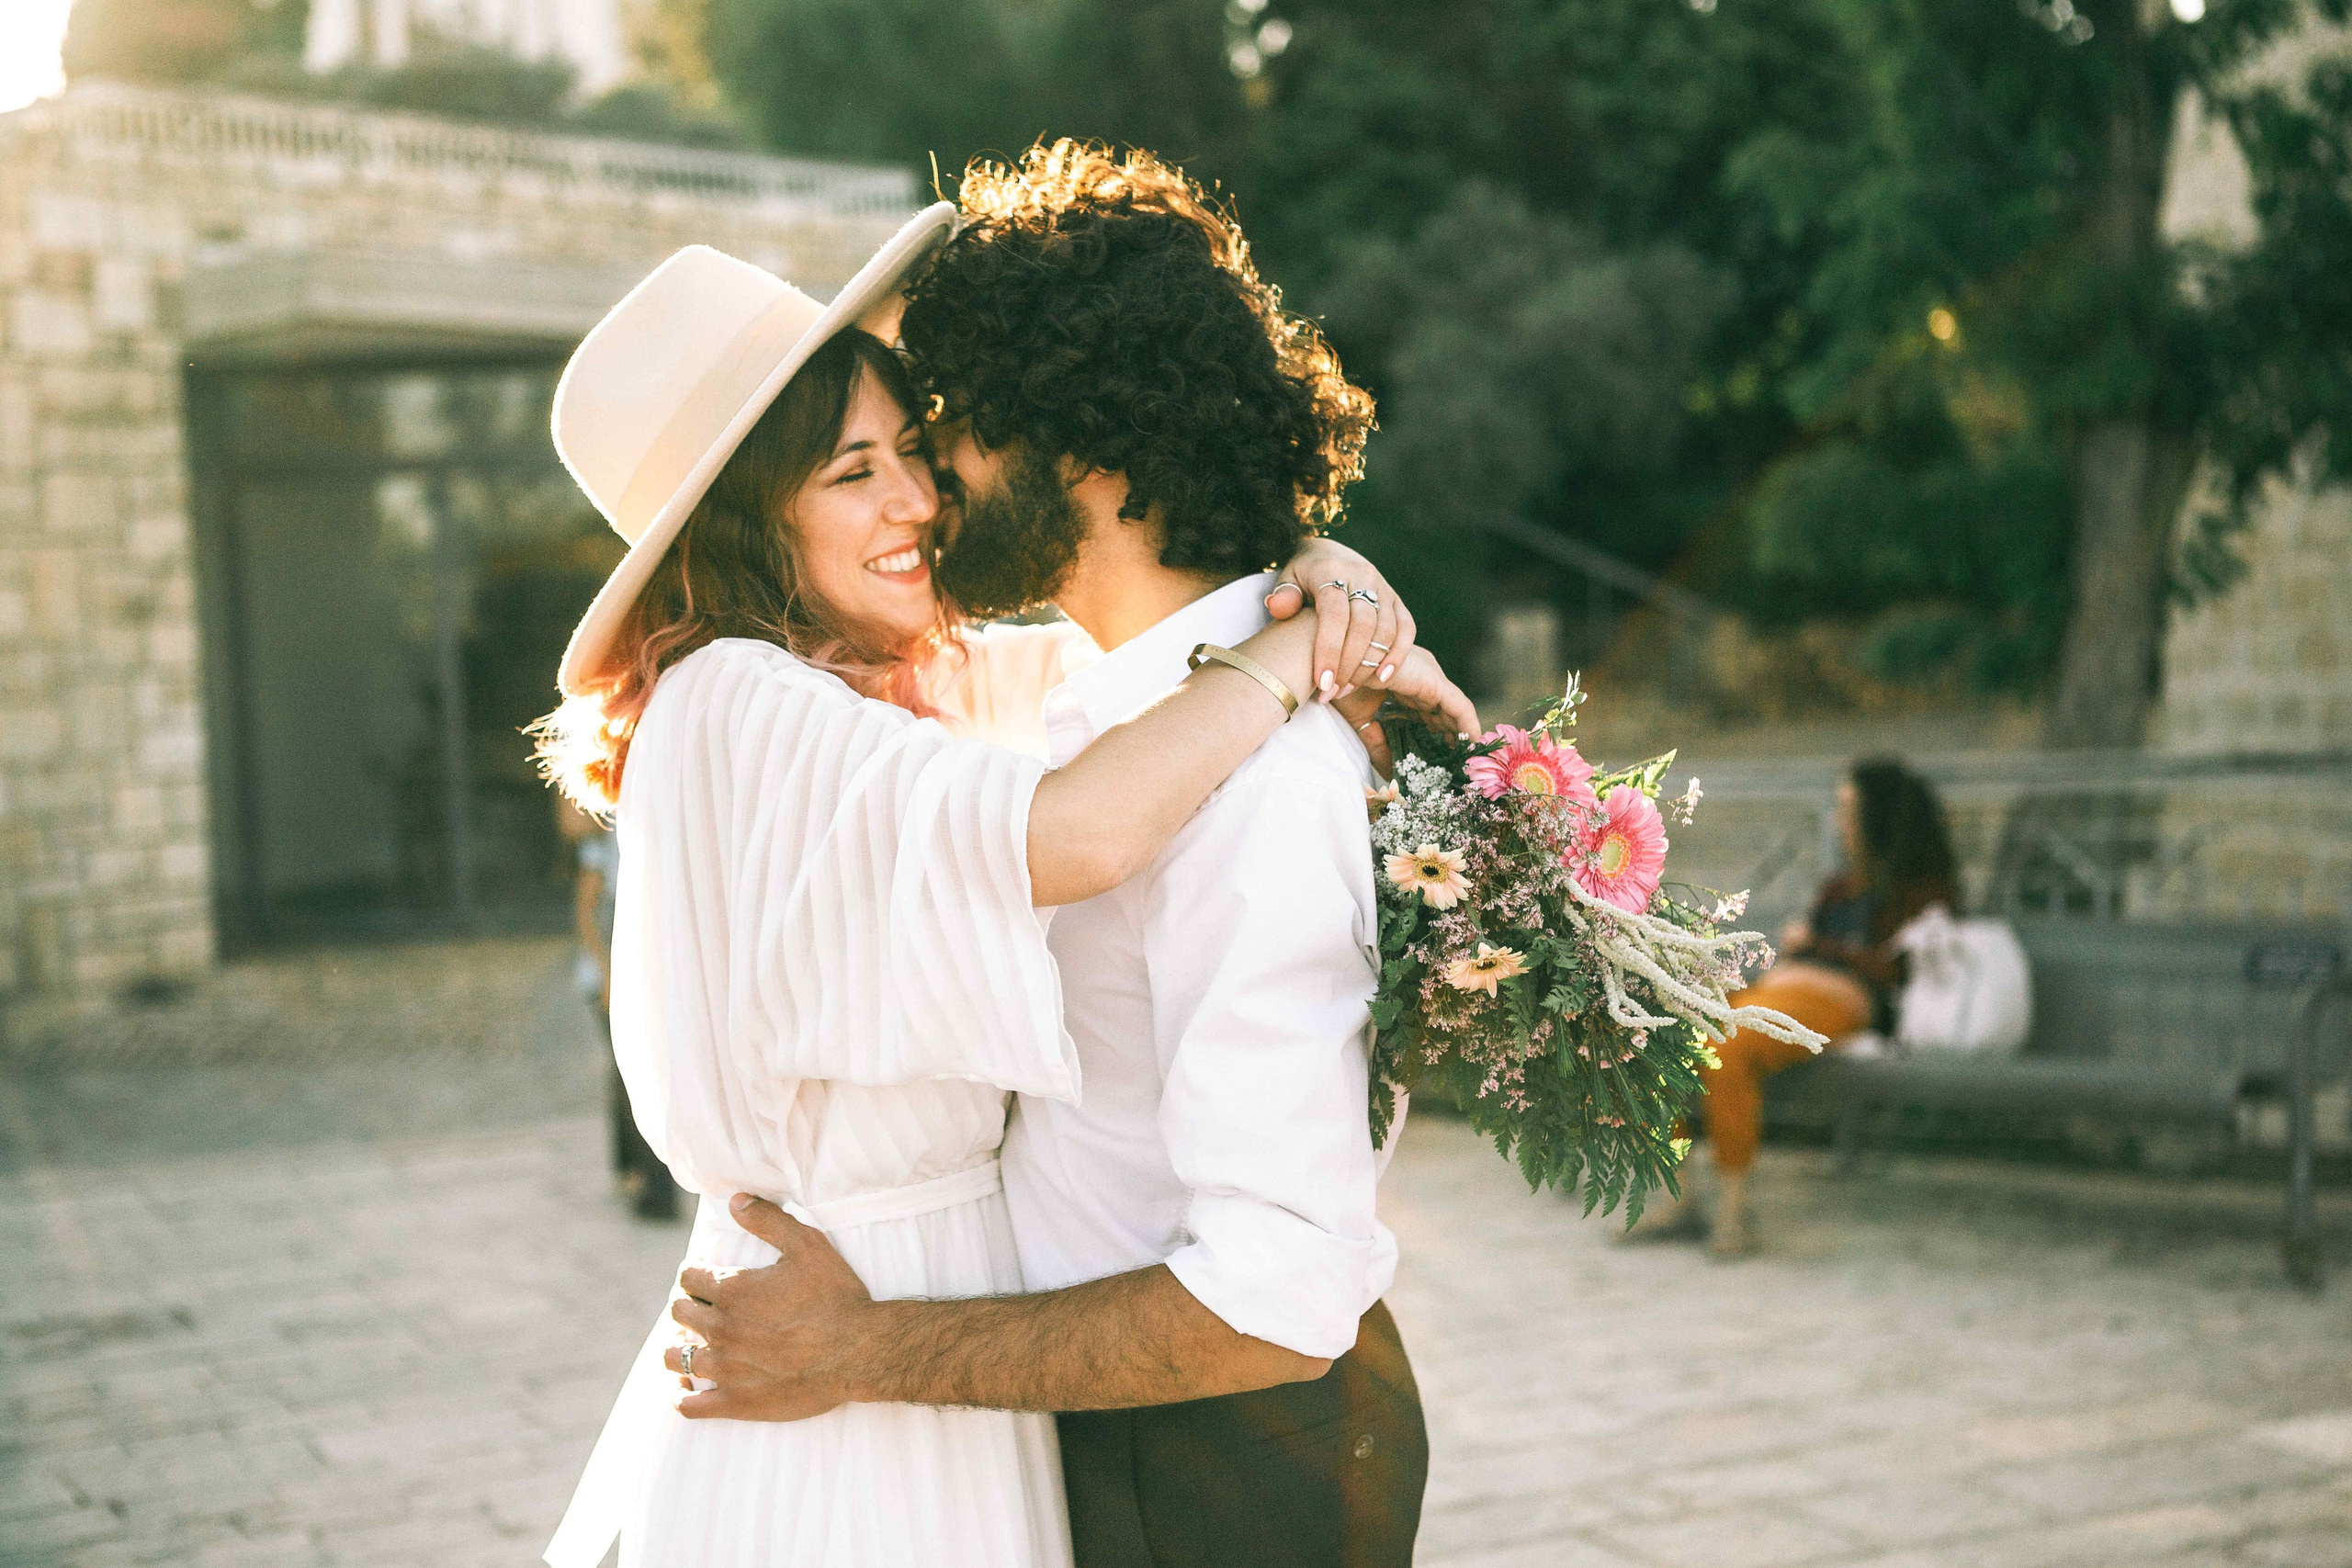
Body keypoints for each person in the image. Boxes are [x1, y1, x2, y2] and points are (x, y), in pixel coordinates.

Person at [536, 197, 1474, 1568]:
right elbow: (1083, 818)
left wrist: (1318, 587)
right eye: (860, 468)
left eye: (927, 438)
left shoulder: (932, 697)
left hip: (1040, 1395)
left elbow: (1277, 1284)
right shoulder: (745, 698)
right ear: (751, 520)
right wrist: (1297, 648)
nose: (925, 491)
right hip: (882, 1373)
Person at [1664, 756, 1959, 1257]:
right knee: (1667, 1029)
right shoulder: (1838, 887)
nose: (1839, 820)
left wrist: (1816, 947)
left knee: (1726, 1044)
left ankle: (1734, 1213)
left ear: (1878, 818)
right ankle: (1679, 1195)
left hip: (1842, 1001)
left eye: (1849, 809)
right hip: (1783, 988)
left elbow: (1896, 968)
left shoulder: (1920, 891)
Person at [557, 794, 676, 1219]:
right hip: (609, 978)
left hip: (649, 975)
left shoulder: (667, 823)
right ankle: (652, 1188)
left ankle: (631, 1167)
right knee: (636, 1072)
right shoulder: (604, 834)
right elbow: (586, 913)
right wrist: (609, 975)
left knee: (628, 1071)